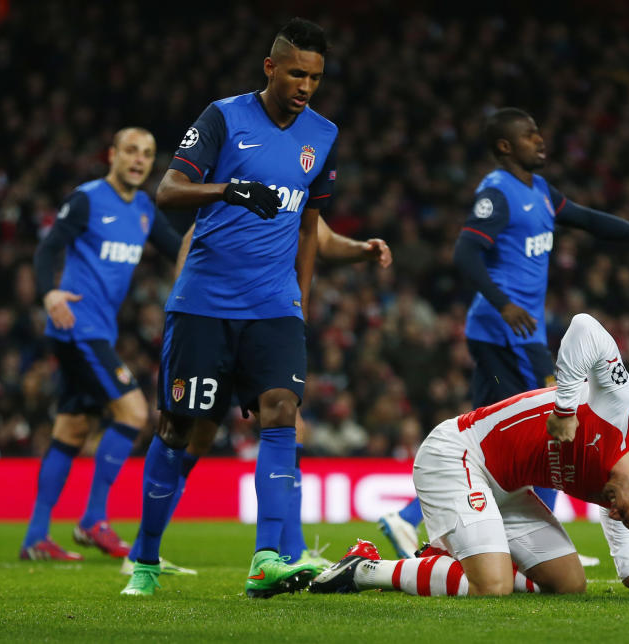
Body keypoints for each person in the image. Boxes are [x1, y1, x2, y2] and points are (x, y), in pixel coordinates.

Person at [378, 107, 629, 560]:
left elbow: (588, 219)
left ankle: (425, 522)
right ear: (505, 146)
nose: (541, 140)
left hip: (520, 335)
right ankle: (418, 519)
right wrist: (505, 304)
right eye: (530, 135)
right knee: (545, 436)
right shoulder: (496, 195)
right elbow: (465, 252)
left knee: (507, 446)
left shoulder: (540, 192)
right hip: (502, 333)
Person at [121, 18, 339, 598]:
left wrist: (303, 299)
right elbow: (166, 191)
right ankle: (144, 556)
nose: (305, 86)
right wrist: (229, 189)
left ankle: (268, 557)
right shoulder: (223, 117)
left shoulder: (324, 134)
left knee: (280, 410)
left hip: (274, 306)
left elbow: (311, 226)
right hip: (204, 304)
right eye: (296, 72)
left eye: (315, 76)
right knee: (180, 431)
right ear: (271, 67)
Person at [312, 313, 629, 597]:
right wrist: (564, 410)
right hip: (458, 453)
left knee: (569, 584)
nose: (613, 513)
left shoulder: (618, 483)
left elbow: (614, 506)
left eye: (621, 520)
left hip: (507, 490)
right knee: (491, 586)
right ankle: (364, 567)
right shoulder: (620, 409)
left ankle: (449, 558)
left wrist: (628, 570)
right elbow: (584, 327)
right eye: (625, 513)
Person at [119, 217, 392, 577]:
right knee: (190, 436)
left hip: (265, 321)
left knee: (287, 419)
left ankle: (291, 552)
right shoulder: (236, 175)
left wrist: (361, 249)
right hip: (211, 319)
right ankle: (143, 551)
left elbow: (319, 237)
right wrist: (187, 309)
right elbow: (192, 235)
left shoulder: (295, 180)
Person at [20, 127, 184, 563]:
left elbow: (178, 248)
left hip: (97, 331)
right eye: (130, 150)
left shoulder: (145, 209)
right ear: (112, 154)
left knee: (71, 429)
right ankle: (94, 520)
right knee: (132, 412)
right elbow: (47, 248)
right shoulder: (88, 198)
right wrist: (48, 292)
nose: (138, 159)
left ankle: (36, 536)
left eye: (147, 154)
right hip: (78, 326)